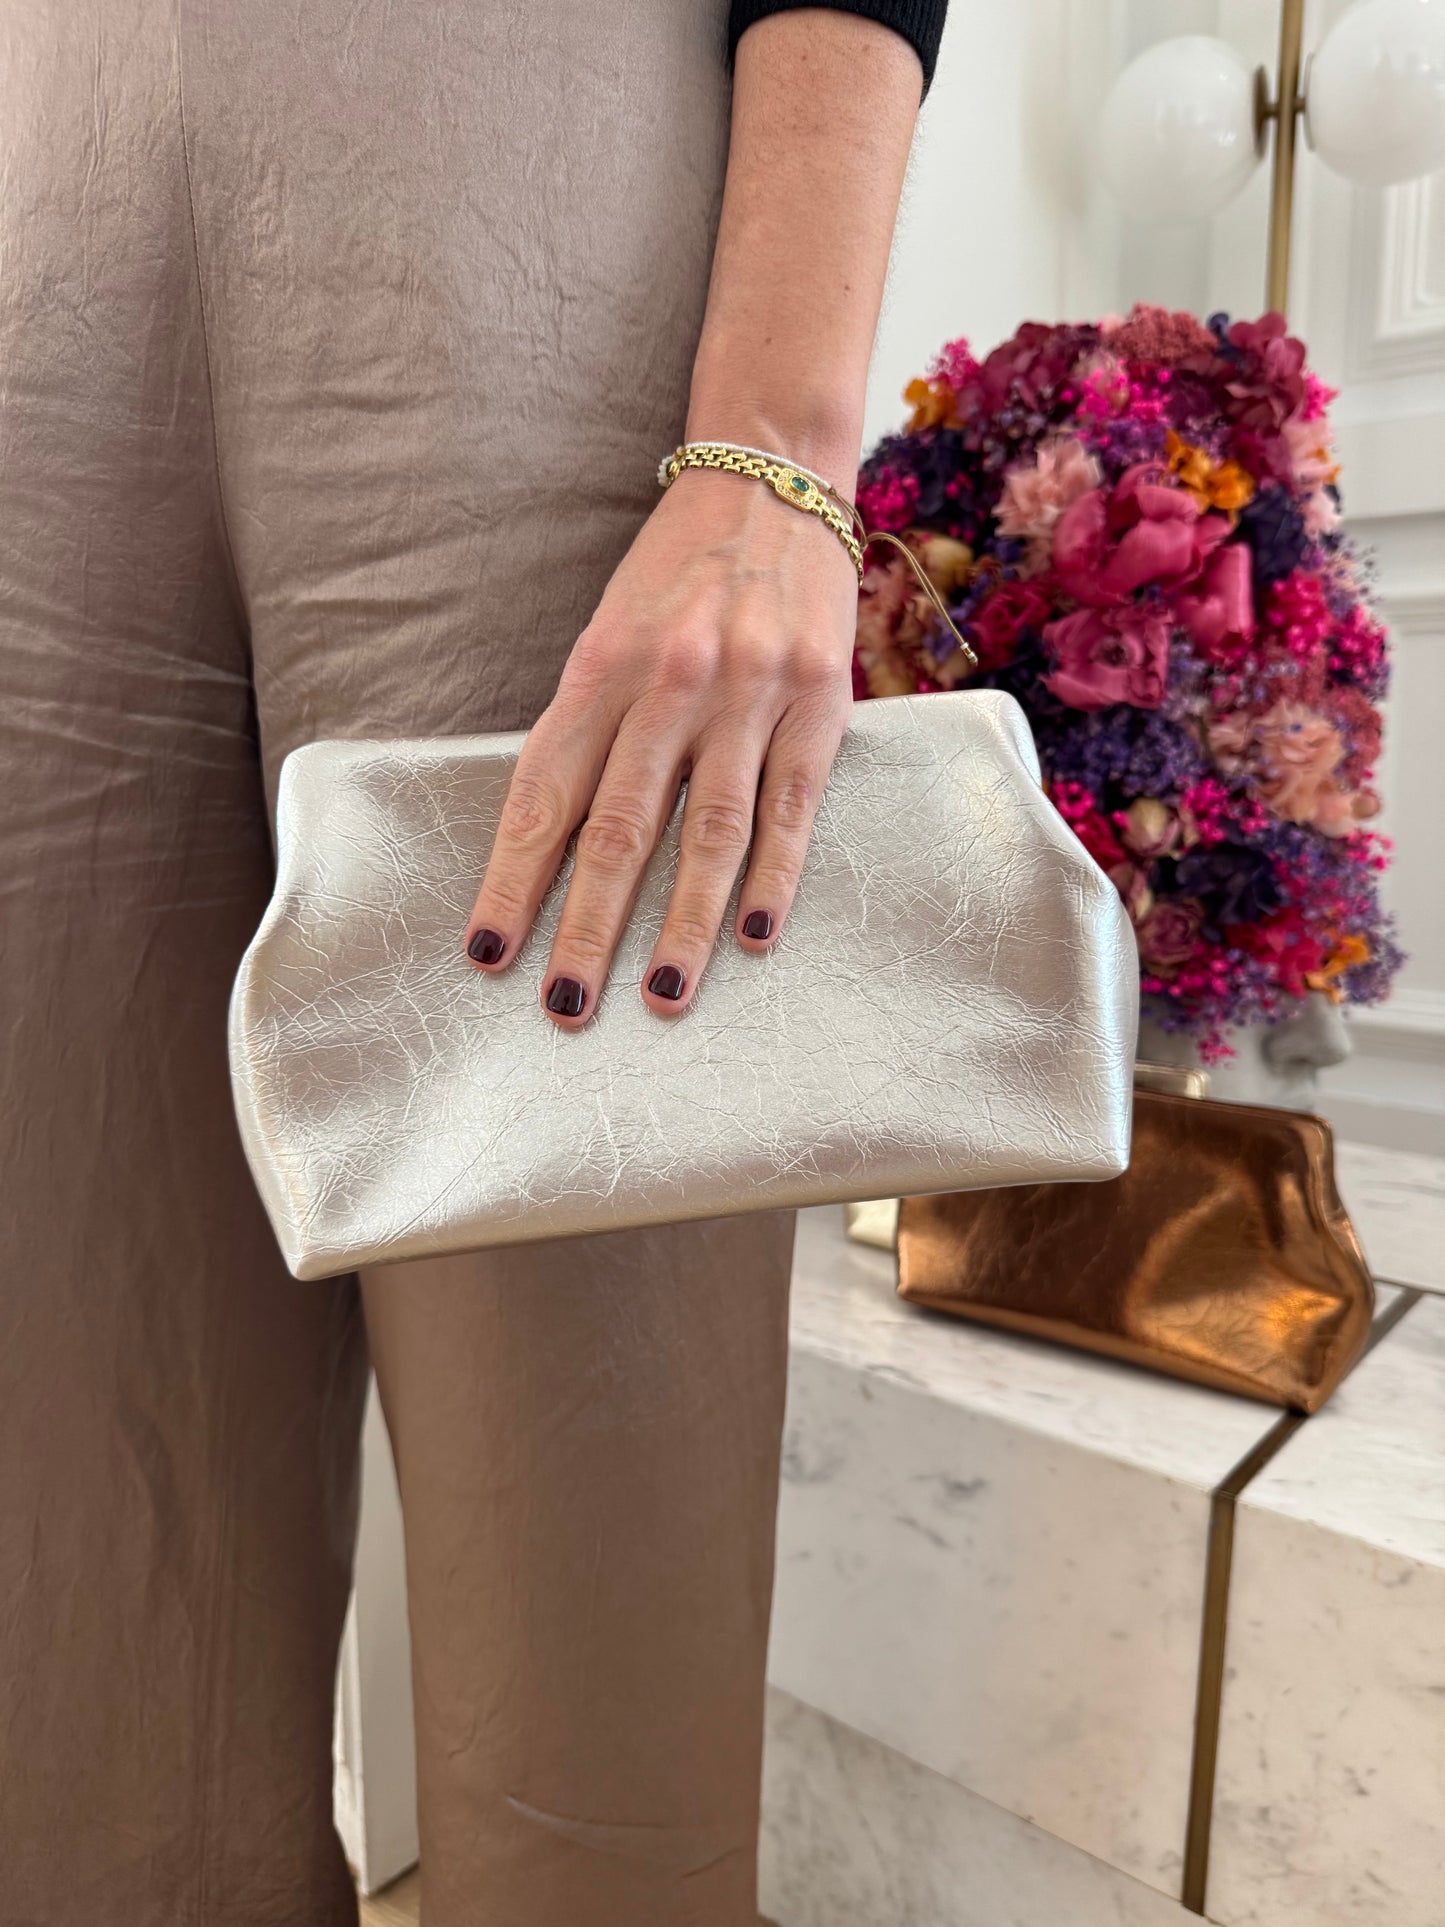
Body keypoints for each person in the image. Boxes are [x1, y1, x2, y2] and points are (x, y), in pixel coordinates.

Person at [0, 1, 947, 1921]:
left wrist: (776, 446)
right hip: (30, 205)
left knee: (589, 1626)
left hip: (529, 181)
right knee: (80, 1648)